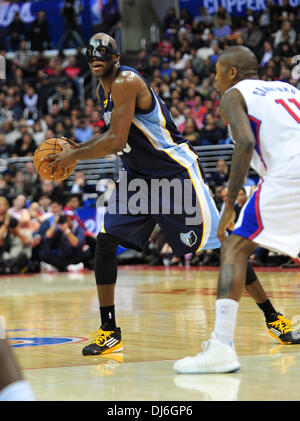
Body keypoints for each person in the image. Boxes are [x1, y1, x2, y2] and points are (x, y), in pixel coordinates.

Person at [44, 34, 297, 358]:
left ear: (116, 57)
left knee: (225, 246)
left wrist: (74, 156)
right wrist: (76, 148)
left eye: (103, 53)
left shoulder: (126, 80)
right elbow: (112, 136)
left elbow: (117, 137)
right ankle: (109, 330)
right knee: (105, 242)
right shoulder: (100, 90)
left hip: (174, 173)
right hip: (138, 177)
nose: (97, 58)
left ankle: (274, 319)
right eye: (92, 54)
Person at [174, 45, 300, 374]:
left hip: (290, 171)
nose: (214, 80)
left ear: (231, 73)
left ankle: (221, 347)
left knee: (233, 247)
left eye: (216, 73)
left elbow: (244, 142)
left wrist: (229, 205)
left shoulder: (233, 94)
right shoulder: (287, 88)